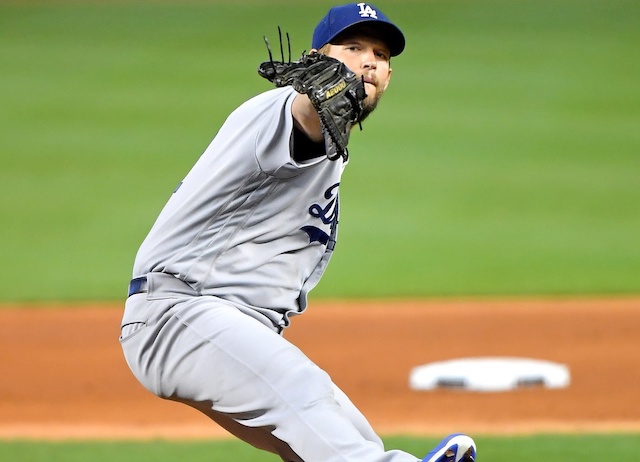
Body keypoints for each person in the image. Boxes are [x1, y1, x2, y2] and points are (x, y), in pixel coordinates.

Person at [119, 3, 476, 462]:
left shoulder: (332, 146)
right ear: (317, 59)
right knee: (307, 395)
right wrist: (311, 96)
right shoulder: (282, 114)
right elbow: (303, 116)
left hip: (230, 328)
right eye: (352, 48)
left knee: (341, 434)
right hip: (182, 315)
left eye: (381, 55)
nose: (369, 61)